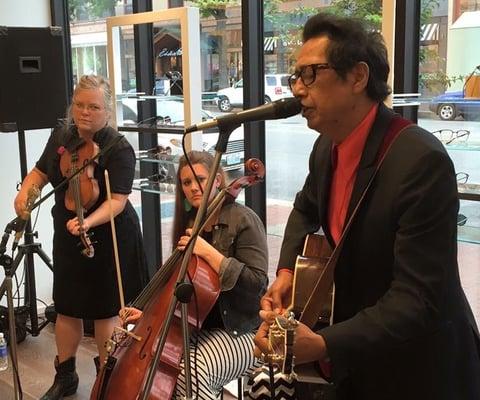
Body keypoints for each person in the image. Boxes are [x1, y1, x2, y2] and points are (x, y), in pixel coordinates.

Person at [254, 12, 480, 400]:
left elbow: (419, 298)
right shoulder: (326, 147)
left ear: (358, 77)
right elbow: (306, 208)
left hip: (420, 366)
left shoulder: (419, 160)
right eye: (296, 77)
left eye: (311, 74)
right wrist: (287, 271)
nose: (298, 90)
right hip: (359, 355)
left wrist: (324, 344)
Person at [14, 75, 149, 400]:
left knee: (105, 312)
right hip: (67, 231)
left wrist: (89, 221)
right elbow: (41, 172)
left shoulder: (118, 147)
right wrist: (25, 195)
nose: (85, 112)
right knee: (67, 307)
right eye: (79, 105)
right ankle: (66, 377)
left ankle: (106, 380)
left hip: (109, 234)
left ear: (107, 110)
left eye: (94, 106)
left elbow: (117, 201)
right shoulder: (62, 135)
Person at [122, 150, 268, 399]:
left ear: (218, 181)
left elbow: (257, 285)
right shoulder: (190, 223)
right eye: (186, 182)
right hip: (201, 331)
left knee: (192, 371)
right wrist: (148, 314)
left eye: (200, 179)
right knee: (160, 362)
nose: (193, 187)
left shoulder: (244, 219)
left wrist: (209, 253)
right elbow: (177, 289)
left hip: (244, 332)